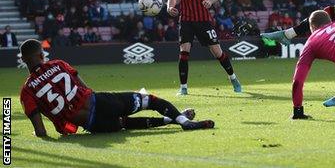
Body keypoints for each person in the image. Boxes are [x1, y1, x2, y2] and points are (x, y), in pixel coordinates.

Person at [19, 39, 213, 137]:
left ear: (24, 60)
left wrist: (39, 133)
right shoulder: (58, 64)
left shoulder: (27, 90)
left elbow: (41, 131)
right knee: (149, 101)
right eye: (42, 53)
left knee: (126, 124)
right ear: (40, 56)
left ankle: (174, 119)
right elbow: (82, 84)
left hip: (94, 126)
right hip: (99, 102)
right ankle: (183, 122)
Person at [166, 0, 242, 95]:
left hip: (203, 20)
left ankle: (233, 78)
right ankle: (183, 88)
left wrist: (210, 1)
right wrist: (170, 7)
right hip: (186, 20)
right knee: (184, 52)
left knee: (217, 52)